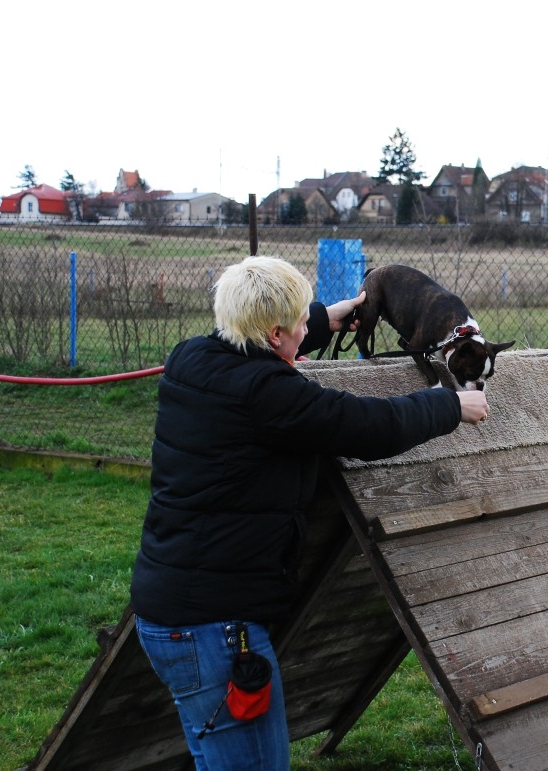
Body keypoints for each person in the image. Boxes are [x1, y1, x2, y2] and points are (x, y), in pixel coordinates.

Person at [129, 255, 490, 768]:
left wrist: (327, 318)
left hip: (177, 608)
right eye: (300, 321)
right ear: (275, 335)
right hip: (215, 632)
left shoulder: (192, 358)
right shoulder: (271, 395)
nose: (307, 325)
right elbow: (364, 425)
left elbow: (260, 356)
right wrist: (451, 405)